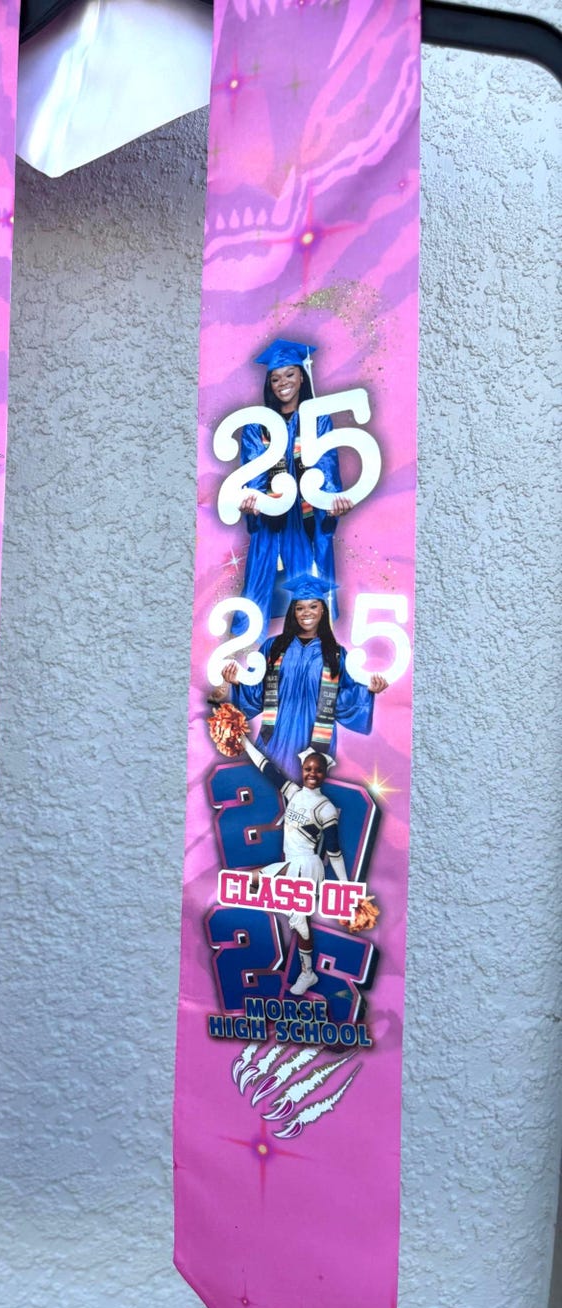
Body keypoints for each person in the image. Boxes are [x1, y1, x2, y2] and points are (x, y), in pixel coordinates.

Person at [230, 339, 353, 636]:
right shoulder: (257, 426)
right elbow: (253, 473)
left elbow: (326, 466)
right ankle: (248, 650)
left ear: (302, 377)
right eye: (275, 378)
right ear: (268, 384)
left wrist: (332, 502)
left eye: (289, 374)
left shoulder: (317, 420)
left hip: (307, 520)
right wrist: (252, 500)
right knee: (257, 592)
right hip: (272, 521)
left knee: (309, 598)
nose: (282, 383)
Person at [210, 574, 387, 778]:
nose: (306, 613)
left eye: (313, 606)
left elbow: (343, 699)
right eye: (300, 608)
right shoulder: (273, 647)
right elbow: (259, 692)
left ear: (323, 610)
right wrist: (238, 682)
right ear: (293, 612)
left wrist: (367, 691)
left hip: (315, 737)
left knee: (306, 789)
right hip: (276, 734)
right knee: (269, 784)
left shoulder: (336, 654)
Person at [238, 733, 348, 996]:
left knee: (292, 915)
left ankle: (307, 971)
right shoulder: (293, 792)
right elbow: (266, 767)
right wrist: (244, 743)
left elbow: (333, 851)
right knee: (298, 921)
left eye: (318, 770)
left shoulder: (325, 808)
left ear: (324, 773)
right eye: (308, 769)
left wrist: (345, 886)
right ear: (302, 770)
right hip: (291, 862)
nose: (312, 773)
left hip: (306, 866)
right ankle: (306, 971)